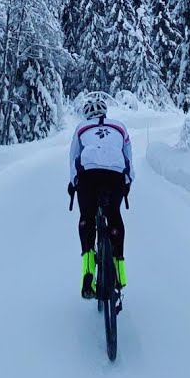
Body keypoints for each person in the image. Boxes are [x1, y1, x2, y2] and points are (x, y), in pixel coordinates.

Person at [67, 92, 132, 299]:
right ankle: (119, 273)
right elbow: (128, 157)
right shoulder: (120, 127)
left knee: (87, 218)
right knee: (114, 216)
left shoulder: (81, 128)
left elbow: (73, 157)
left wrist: (73, 183)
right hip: (115, 175)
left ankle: (88, 271)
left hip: (88, 174)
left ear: (87, 115)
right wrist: (128, 182)